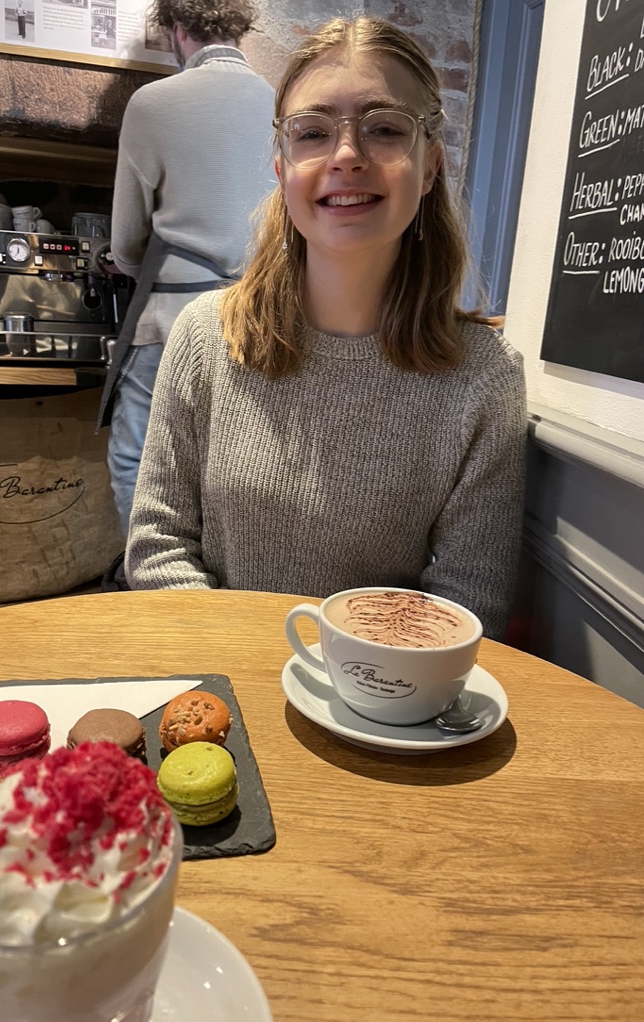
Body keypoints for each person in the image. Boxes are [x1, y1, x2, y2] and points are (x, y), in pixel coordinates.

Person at [124, 15, 527, 640]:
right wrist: (249, 674)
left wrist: (345, 689)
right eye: (312, 133)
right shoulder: (204, 336)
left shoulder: (486, 377)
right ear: (282, 166)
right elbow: (157, 549)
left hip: (383, 710)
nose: (346, 155)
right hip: (224, 687)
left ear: (429, 167)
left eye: (385, 129)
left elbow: (468, 602)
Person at [99, 0, 276, 532]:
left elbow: (127, 238)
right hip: (262, 320)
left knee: (137, 459)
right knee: (235, 471)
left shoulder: (152, 102)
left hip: (172, 320)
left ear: (176, 28)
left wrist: (127, 261)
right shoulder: (283, 105)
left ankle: (158, 595)